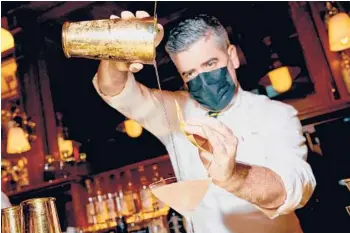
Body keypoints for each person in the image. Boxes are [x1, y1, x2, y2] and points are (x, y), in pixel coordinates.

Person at [92, 11, 316, 233]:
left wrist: (233, 176)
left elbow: (294, 188)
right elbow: (116, 92)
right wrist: (115, 57)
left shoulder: (276, 114)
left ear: (232, 56)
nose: (203, 80)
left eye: (210, 64)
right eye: (189, 73)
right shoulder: (175, 112)